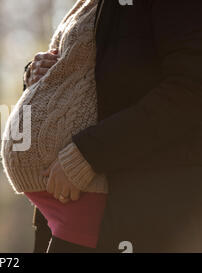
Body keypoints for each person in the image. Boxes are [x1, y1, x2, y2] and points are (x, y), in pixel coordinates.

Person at [27, 0, 202, 253]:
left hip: (148, 208)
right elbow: (101, 73)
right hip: (71, 208)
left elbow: (190, 90)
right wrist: (41, 74)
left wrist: (89, 153)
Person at [1, 0, 108, 253]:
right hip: (54, 200)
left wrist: (87, 153)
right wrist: (33, 73)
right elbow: (71, 66)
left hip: (80, 188)